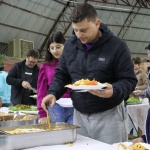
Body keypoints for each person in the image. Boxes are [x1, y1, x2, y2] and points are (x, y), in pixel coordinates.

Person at [41, 3, 137, 144]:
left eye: (84, 30)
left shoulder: (118, 47)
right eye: (76, 30)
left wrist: (114, 90)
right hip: (79, 114)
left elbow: (129, 80)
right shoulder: (70, 45)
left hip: (109, 115)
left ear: (97, 23)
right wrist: (53, 93)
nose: (79, 35)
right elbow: (62, 74)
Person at [37, 31, 74, 124]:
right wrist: (42, 113)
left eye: (58, 47)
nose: (55, 51)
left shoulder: (74, 63)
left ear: (65, 46)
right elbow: (41, 90)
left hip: (73, 105)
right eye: (51, 48)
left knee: (75, 134)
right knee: (58, 133)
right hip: (55, 105)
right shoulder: (45, 66)